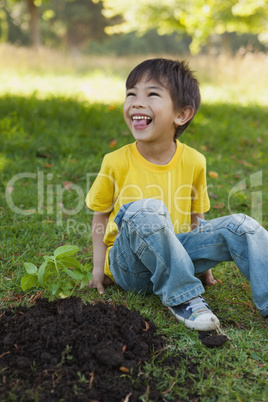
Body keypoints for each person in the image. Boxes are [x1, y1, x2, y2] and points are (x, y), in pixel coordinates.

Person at [86, 58, 268, 331]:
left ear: (181, 114)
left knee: (242, 225)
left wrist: (204, 264)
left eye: (152, 94)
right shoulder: (115, 161)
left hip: (179, 255)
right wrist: (98, 269)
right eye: (131, 94)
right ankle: (185, 299)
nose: (136, 102)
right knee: (146, 209)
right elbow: (100, 216)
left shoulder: (194, 161)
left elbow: (198, 216)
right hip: (130, 267)